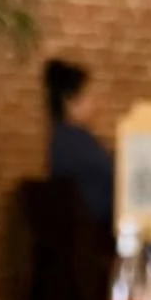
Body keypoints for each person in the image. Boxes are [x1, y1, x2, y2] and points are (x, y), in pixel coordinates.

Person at [44, 58, 114, 232]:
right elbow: (112, 172)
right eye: (88, 95)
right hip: (97, 231)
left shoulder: (65, 138)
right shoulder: (74, 142)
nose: (94, 102)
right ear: (69, 101)